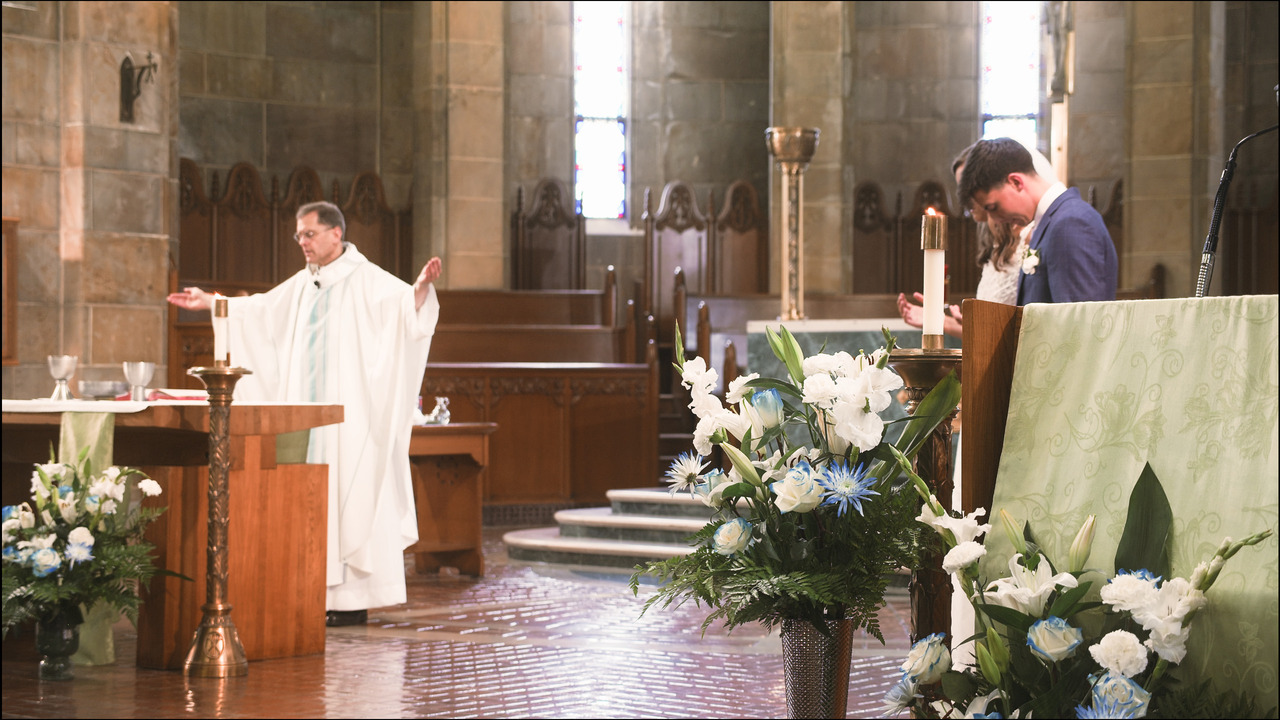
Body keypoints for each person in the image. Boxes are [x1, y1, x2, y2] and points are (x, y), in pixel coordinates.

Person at [167, 200, 442, 627]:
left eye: (309, 234)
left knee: (347, 499)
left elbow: (405, 309)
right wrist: (211, 302)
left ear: (336, 233)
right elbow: (258, 310)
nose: (302, 243)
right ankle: (311, 591)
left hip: (349, 423)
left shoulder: (367, 279)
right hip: (304, 422)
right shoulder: (302, 285)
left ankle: (351, 601)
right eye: (298, 236)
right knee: (307, 499)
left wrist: (421, 289)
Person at [959, 137, 1117, 304]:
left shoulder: (1070, 223)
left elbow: (1079, 323)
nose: (996, 220)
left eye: (993, 207)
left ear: (1016, 182)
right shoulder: (1049, 223)